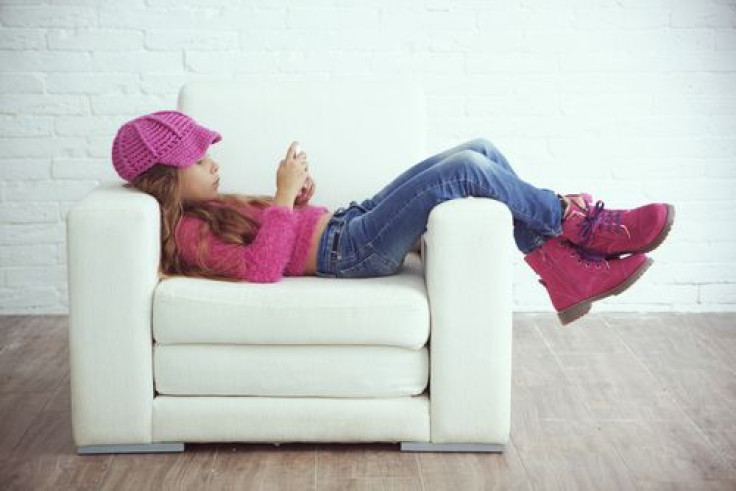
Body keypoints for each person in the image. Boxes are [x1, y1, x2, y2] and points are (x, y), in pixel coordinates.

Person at [112, 110, 675, 326]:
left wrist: (298, 197)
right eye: (197, 158)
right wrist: (282, 200)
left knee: (478, 147)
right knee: (465, 170)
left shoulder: (208, 206)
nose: (212, 161)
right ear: (165, 177)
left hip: (346, 224)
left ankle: (563, 267)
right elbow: (263, 268)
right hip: (351, 253)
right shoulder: (185, 235)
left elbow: (278, 234)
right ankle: (577, 227)